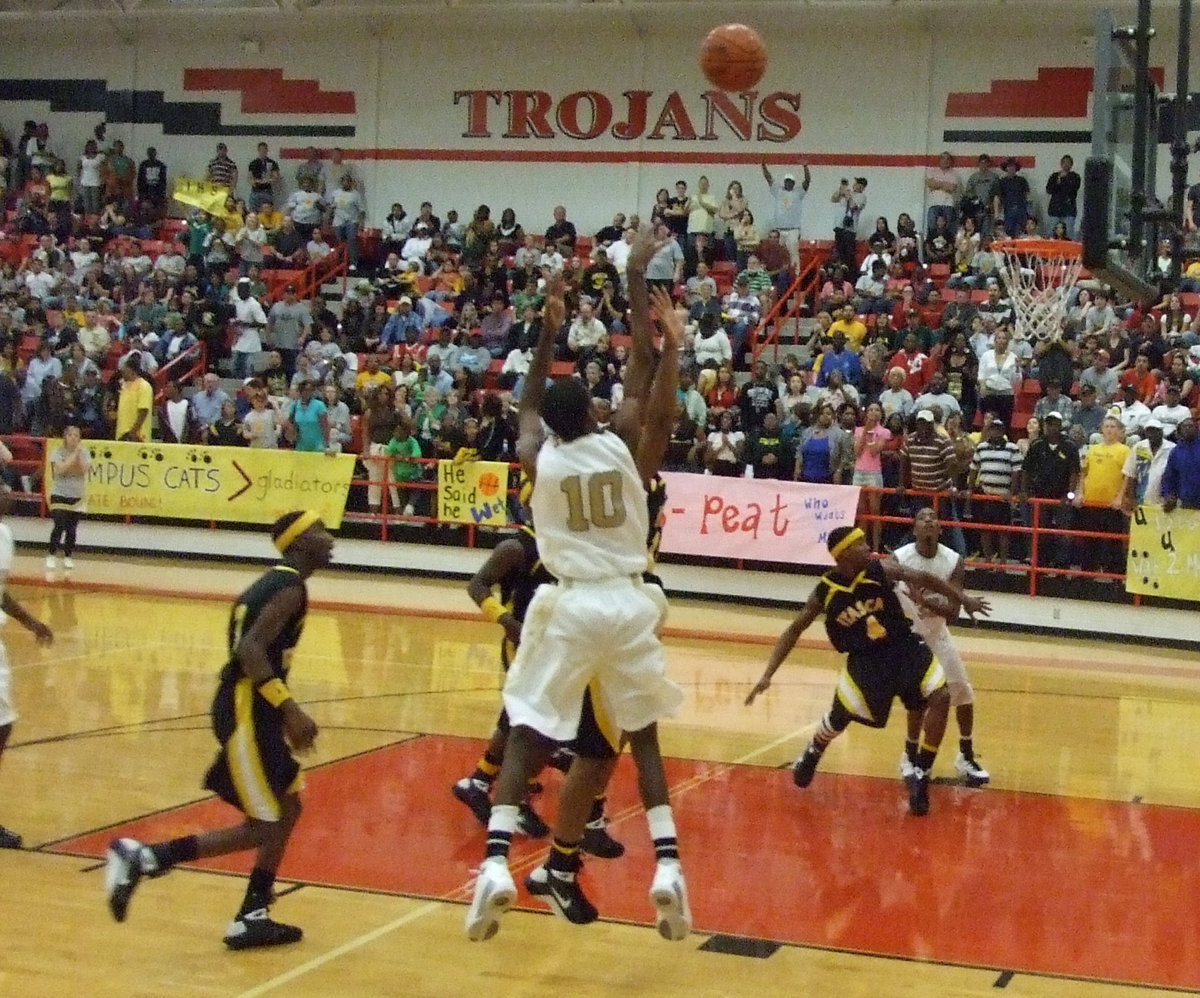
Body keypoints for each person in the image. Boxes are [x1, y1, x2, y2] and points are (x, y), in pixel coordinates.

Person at [465, 279, 690, 943]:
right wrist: (664, 339)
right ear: (594, 412)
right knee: (640, 735)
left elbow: (528, 403)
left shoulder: (539, 460)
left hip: (566, 603)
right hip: (630, 600)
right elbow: (654, 404)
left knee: (527, 730)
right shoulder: (624, 450)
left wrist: (546, 331)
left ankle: (498, 862)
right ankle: (669, 863)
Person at [105, 512, 333, 948]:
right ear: (301, 542)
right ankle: (145, 856)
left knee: (288, 808)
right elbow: (249, 649)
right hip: (247, 707)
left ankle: (253, 913)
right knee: (264, 825)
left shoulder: (278, 583)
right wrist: (290, 711)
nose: (330, 539)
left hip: (252, 707)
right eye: (321, 531)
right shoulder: (288, 587)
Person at [746, 525, 990, 815]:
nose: (867, 547)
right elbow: (794, 629)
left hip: (904, 647)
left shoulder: (880, 570)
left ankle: (922, 772)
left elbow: (923, 578)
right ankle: (813, 751)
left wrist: (964, 599)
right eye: (860, 544)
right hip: (866, 660)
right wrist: (767, 675)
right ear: (844, 554)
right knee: (839, 718)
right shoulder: (826, 590)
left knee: (941, 695)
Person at [893, 509, 990, 786]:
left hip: (937, 633)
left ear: (940, 530)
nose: (929, 521)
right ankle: (910, 757)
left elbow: (953, 613)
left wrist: (924, 602)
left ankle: (966, 755)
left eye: (933, 519)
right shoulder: (899, 559)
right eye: (922, 518)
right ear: (914, 530)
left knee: (964, 693)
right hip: (910, 636)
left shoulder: (953, 560)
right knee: (919, 700)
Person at [0, 484, 54, 848]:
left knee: (4, 724)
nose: (7, 489)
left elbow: (0, 592)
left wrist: (31, 622)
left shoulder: (4, 533)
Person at [46, 423, 91, 579]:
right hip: (59, 494)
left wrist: (70, 465)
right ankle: (51, 555)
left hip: (77, 496)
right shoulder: (57, 451)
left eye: (76, 435)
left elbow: (84, 469)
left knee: (72, 529)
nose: (73, 438)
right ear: (65, 437)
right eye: (70, 435)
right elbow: (59, 470)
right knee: (59, 525)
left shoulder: (85, 452)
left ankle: (68, 556)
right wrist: (73, 459)